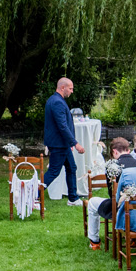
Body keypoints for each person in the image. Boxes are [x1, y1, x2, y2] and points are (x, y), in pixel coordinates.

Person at [43, 77, 83, 207]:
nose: (72, 91)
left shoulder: (55, 100)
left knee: (72, 167)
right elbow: (62, 126)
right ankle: (34, 195)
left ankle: (73, 198)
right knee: (54, 171)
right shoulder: (57, 102)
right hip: (59, 144)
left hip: (62, 144)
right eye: (70, 88)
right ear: (62, 87)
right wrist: (74, 143)